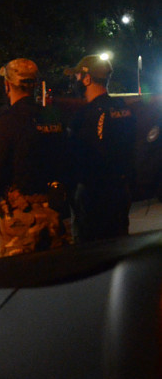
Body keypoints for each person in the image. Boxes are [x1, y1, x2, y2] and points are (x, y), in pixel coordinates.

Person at [0, 58, 71, 256]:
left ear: (7, 85)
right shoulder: (53, 119)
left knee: (18, 279)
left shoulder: (7, 122)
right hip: (55, 216)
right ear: (35, 86)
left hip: (21, 221)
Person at [65, 54, 137, 242]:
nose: (76, 81)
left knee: (92, 254)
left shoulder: (85, 116)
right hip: (121, 191)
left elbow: (76, 156)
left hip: (93, 197)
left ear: (87, 79)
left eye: (78, 76)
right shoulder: (122, 108)